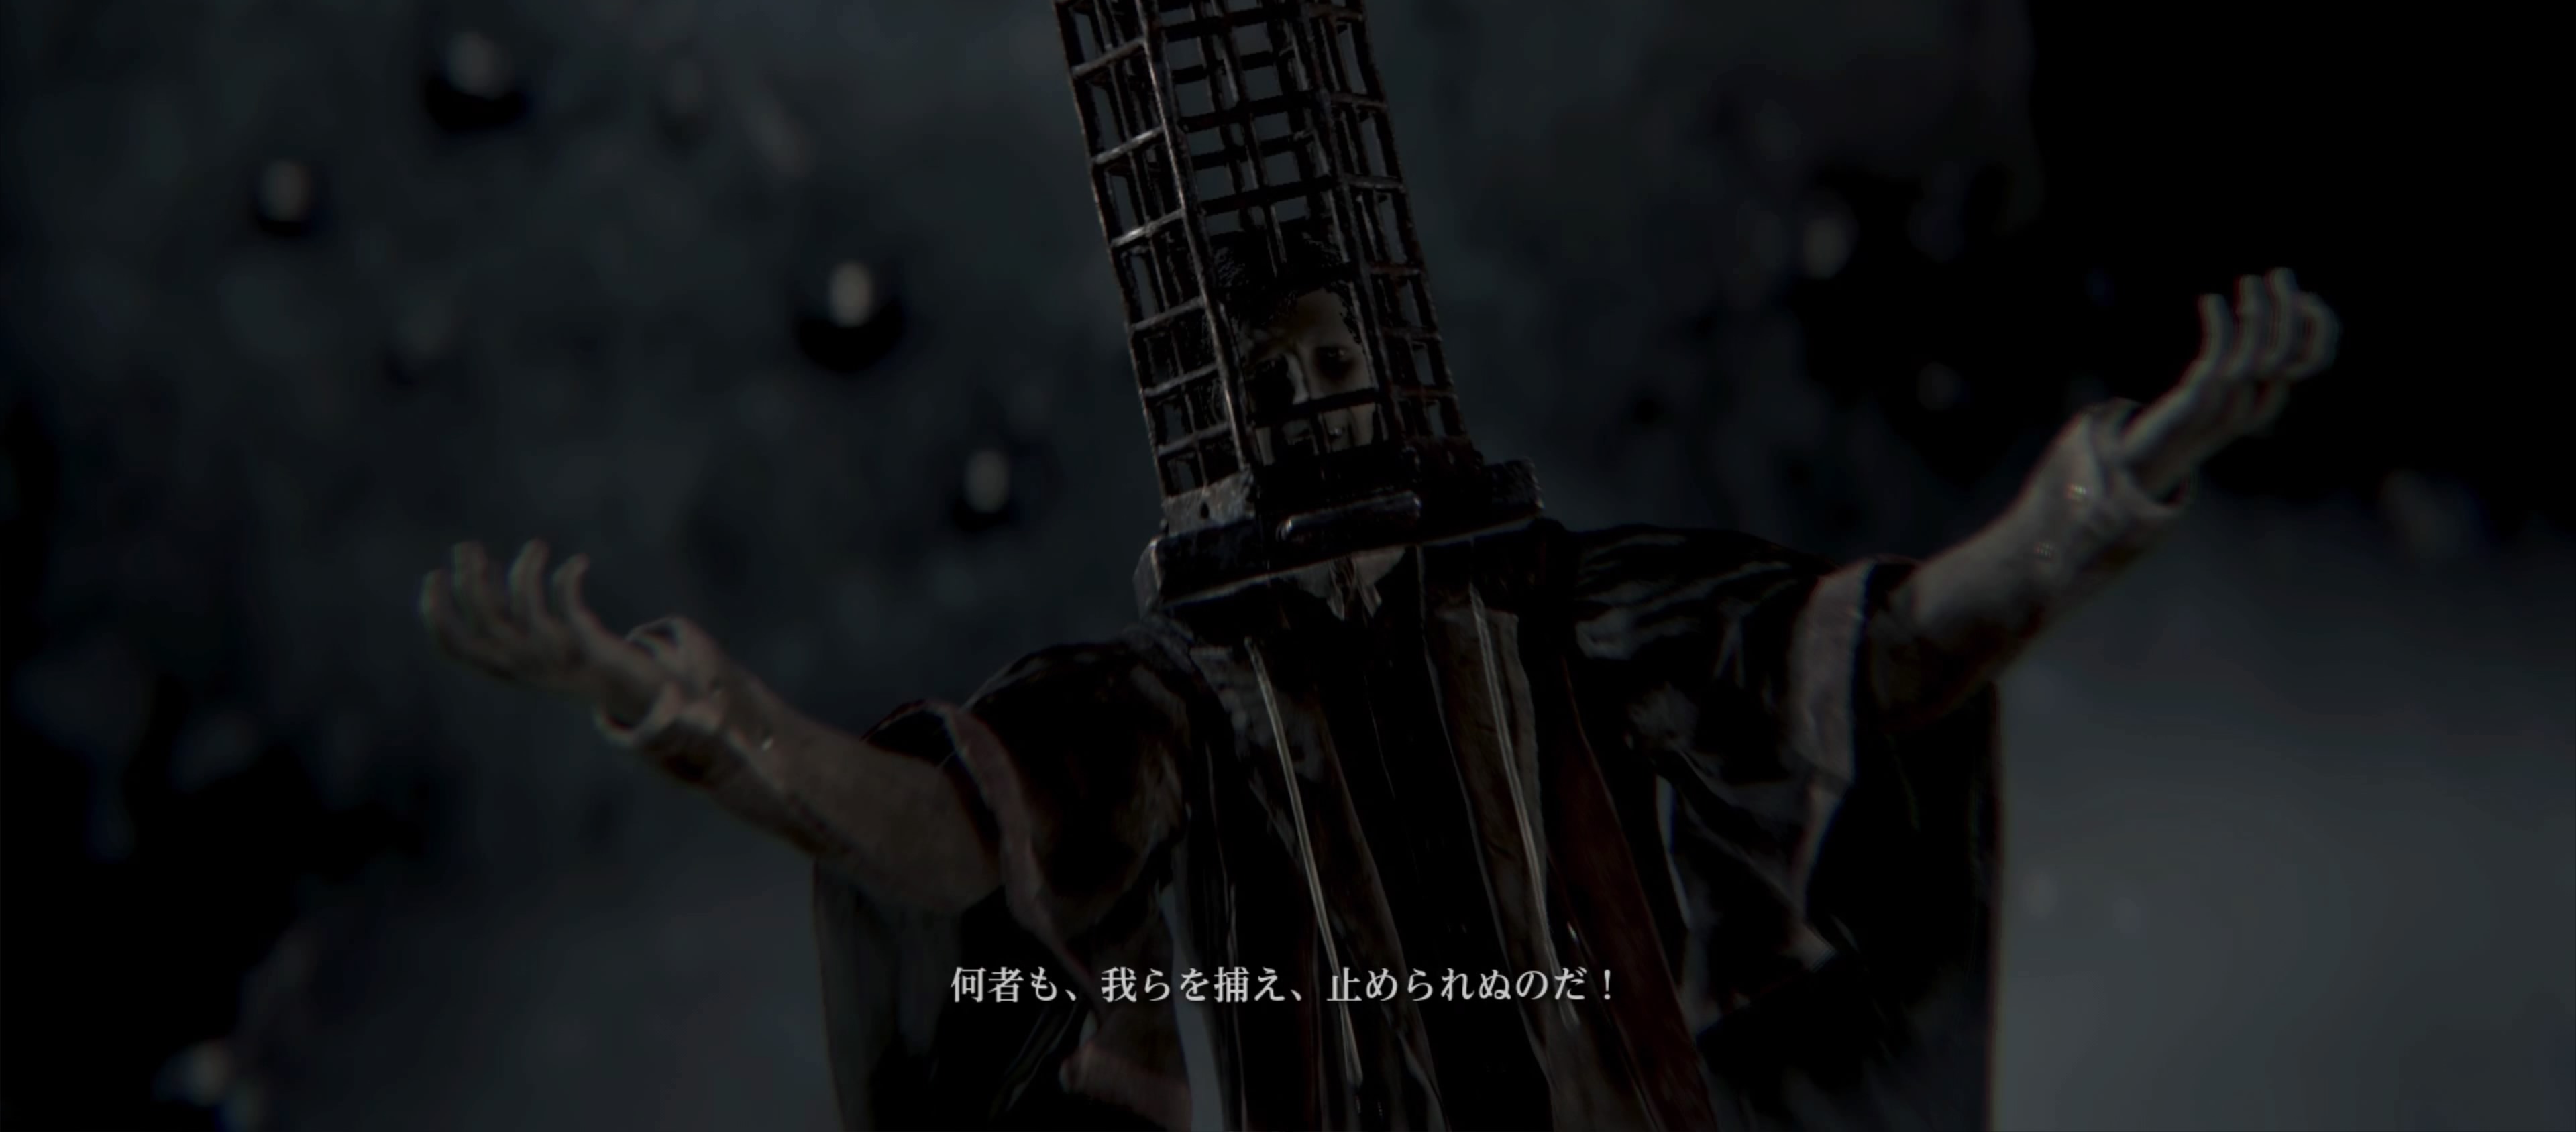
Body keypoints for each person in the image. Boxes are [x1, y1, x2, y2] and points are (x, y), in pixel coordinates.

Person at [423, 259, 2337, 1131]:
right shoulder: (1176, 703)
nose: (1324, 414)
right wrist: (733, 740)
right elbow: (969, 839)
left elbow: (1874, 660)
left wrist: (2088, 513)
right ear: (1230, 434)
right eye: (1285, 392)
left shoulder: (1567, 615)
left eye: (1343, 375)